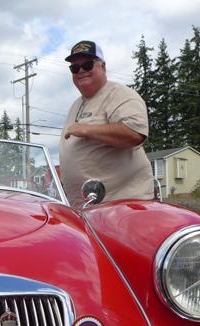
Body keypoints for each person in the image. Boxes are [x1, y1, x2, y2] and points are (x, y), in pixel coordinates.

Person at [59, 40, 155, 207]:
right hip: (86, 208)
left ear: (102, 67)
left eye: (87, 65)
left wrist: (86, 130)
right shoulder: (76, 105)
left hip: (122, 205)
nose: (81, 70)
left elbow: (134, 134)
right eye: (74, 67)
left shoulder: (119, 94)